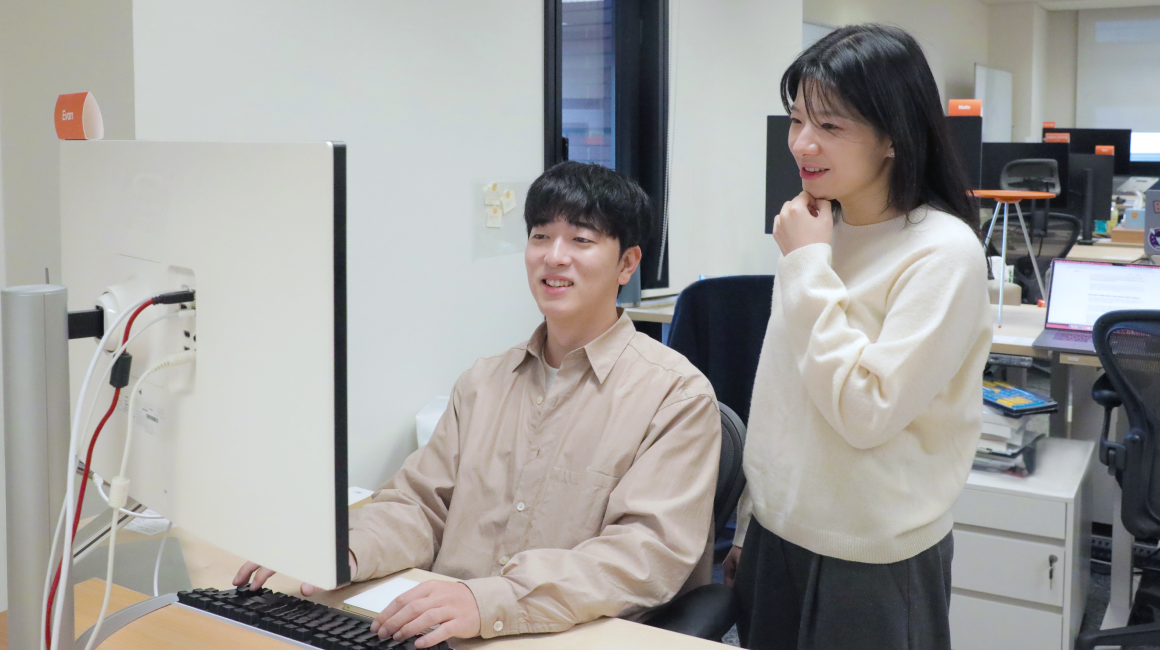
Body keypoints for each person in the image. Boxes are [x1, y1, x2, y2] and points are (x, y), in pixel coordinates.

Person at [235, 161, 721, 649]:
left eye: (581, 239)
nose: (554, 257)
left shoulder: (676, 396)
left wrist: (491, 601)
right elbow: (420, 506)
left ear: (627, 264)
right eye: (540, 236)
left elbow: (643, 556)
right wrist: (345, 551)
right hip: (442, 631)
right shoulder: (484, 382)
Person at [721, 24, 992, 650]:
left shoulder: (942, 252)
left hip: (873, 557)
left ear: (893, 135)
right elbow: (782, 397)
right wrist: (749, 523)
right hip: (776, 537)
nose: (802, 143)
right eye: (796, 120)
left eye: (830, 125)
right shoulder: (818, 232)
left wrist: (805, 266)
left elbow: (865, 412)